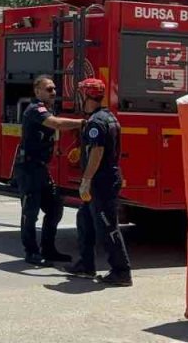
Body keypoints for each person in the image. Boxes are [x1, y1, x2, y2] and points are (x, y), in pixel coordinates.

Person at [66, 78, 133, 285]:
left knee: (107, 225)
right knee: (84, 220)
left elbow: (98, 151)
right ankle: (86, 265)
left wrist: (86, 180)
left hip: (101, 182)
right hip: (103, 179)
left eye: (80, 94)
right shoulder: (107, 117)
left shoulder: (96, 121)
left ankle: (121, 271)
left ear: (86, 96)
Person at [17, 75, 83, 266]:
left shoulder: (48, 109)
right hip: (28, 169)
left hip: (41, 168)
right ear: (37, 91)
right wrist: (82, 123)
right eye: (49, 89)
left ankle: (48, 249)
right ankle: (31, 252)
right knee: (30, 212)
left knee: (55, 208)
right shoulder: (35, 109)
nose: (53, 92)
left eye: (54, 89)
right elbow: (57, 124)